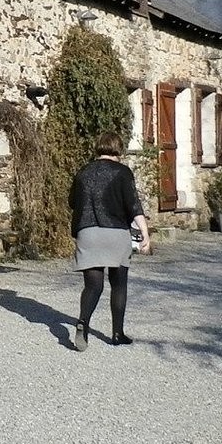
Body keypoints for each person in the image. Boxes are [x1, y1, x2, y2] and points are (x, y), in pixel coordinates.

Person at [69, 132, 149, 349]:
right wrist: (145, 232)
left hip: (88, 232)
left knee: (93, 286)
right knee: (119, 284)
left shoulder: (83, 172)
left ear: (98, 147)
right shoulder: (122, 172)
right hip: (116, 233)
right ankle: (117, 333)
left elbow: (72, 202)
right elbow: (133, 205)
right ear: (118, 148)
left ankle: (83, 322)